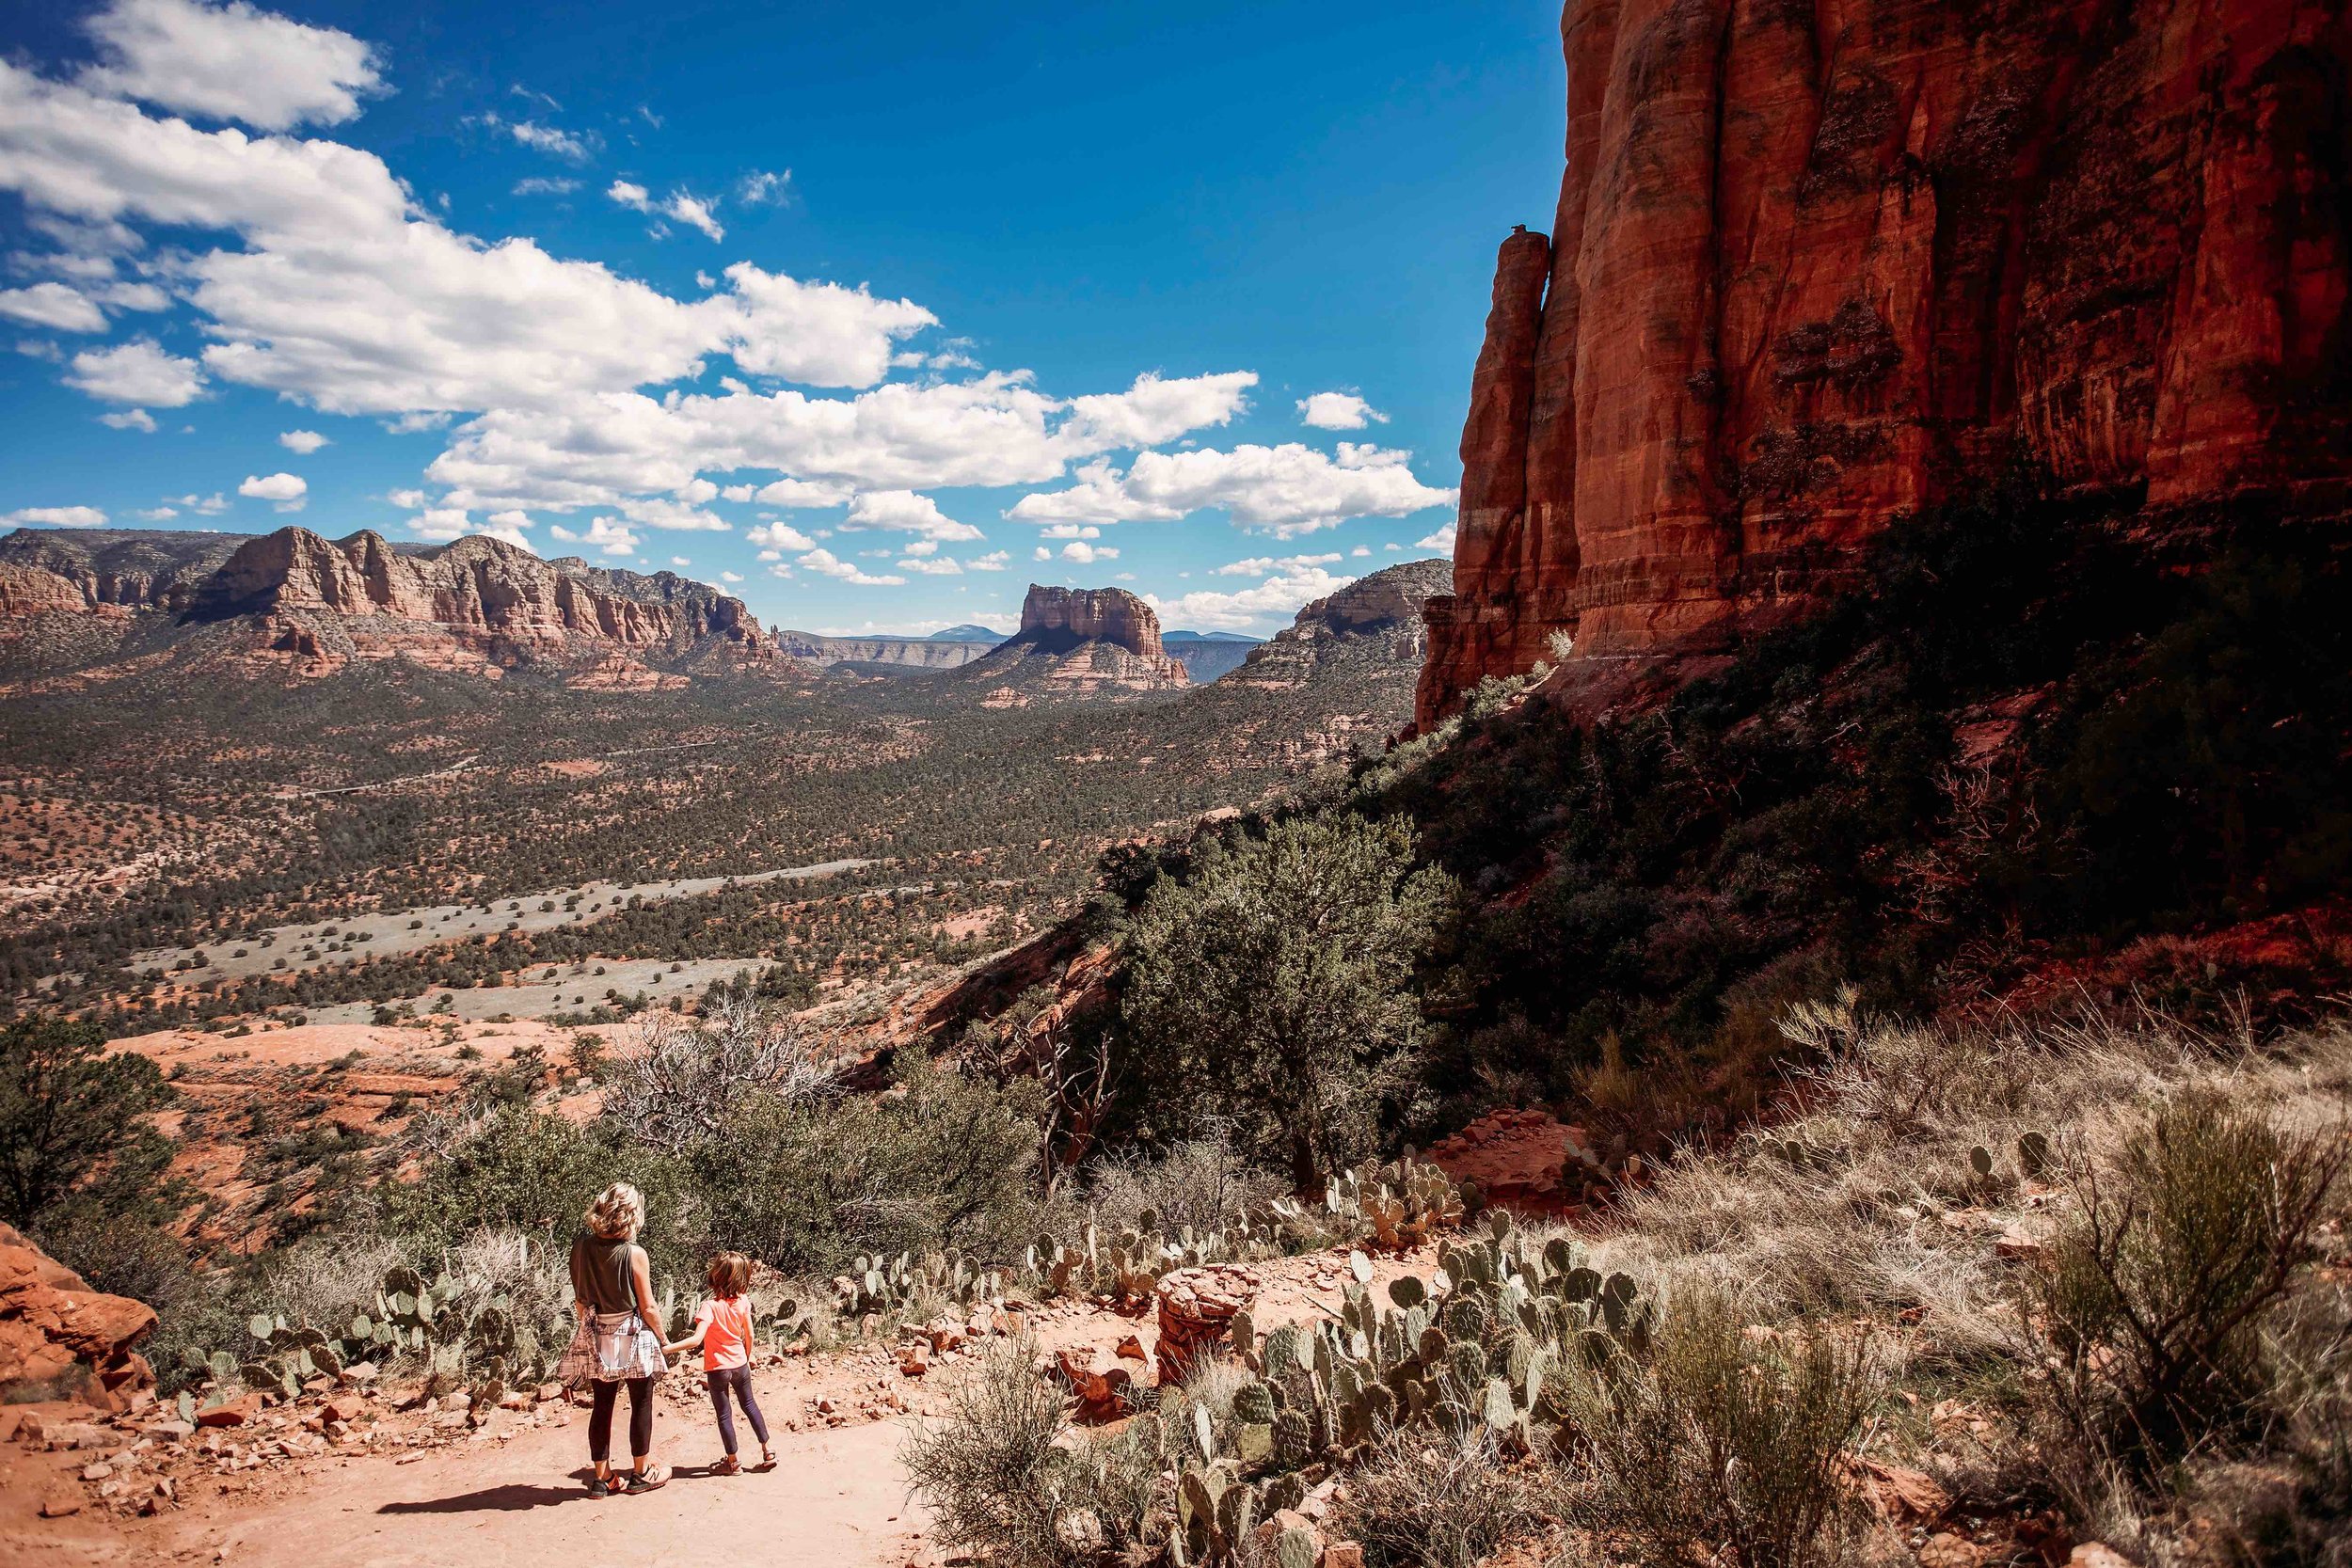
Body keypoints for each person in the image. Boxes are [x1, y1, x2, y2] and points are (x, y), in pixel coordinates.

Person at [566, 1182, 670, 1497]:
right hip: (630, 1331)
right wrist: (663, 1339)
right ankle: (641, 1472)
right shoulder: (633, 1254)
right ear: (631, 1214)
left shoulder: (580, 1247)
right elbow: (648, 1306)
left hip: (598, 1330)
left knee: (602, 1405)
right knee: (641, 1400)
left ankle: (603, 1477)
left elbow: (580, 1299)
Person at [664, 1251, 775, 1474]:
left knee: (724, 1414)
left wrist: (668, 1348)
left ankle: (733, 1462)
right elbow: (750, 1334)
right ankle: (768, 1450)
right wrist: (745, 1356)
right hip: (740, 1364)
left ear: (716, 1276)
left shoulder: (709, 1306)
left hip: (717, 1368)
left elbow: (697, 1339)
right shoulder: (743, 1301)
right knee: (750, 1404)